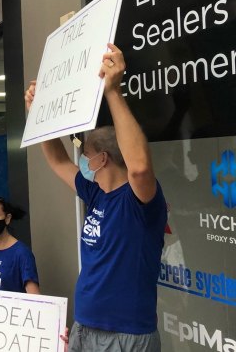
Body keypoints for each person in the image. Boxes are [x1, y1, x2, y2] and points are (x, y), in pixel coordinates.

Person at [24, 43, 167, 351]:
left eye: (86, 154)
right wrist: (37, 115)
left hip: (126, 334)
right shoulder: (95, 193)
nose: (82, 161)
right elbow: (59, 161)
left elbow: (139, 168)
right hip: (85, 327)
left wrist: (113, 91)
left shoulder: (139, 200)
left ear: (102, 159)